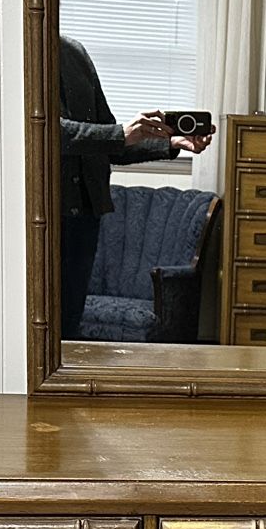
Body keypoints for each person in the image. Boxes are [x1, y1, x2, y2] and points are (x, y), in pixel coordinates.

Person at [58, 34, 211, 339]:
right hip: (46, 211)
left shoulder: (75, 52)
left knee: (68, 324)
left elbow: (112, 144)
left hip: (86, 215)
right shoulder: (19, 53)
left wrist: (169, 143)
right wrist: (120, 134)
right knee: (43, 326)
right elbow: (47, 129)